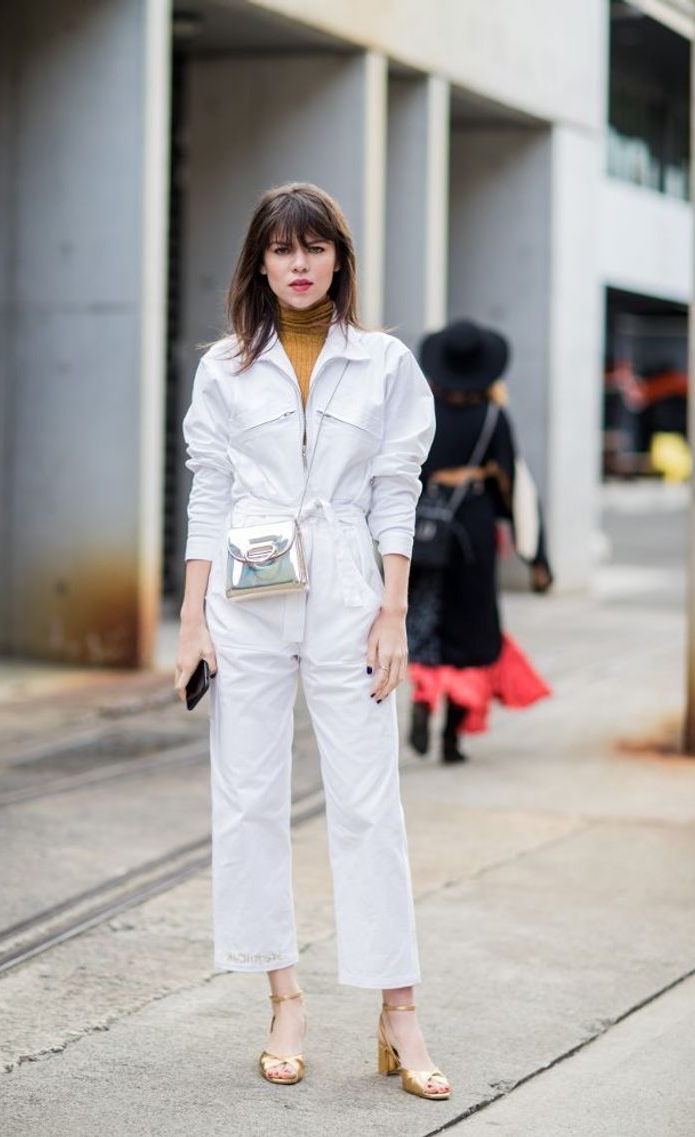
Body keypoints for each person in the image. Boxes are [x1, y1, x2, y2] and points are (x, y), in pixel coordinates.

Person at [175, 182, 451, 1100]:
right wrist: (189, 621)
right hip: (247, 599)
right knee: (249, 798)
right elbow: (209, 491)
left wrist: (391, 610)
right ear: (259, 261)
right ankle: (284, 996)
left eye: (315, 248)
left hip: (346, 591)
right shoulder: (223, 367)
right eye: (282, 250)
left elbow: (395, 487)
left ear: (339, 258)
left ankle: (398, 1009)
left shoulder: (382, 363)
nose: (299, 265)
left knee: (369, 802)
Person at [407, 319, 551, 762]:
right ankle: (451, 739)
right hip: (471, 532)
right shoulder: (493, 417)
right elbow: (513, 489)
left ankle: (422, 699)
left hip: (423, 533)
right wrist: (537, 556)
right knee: (469, 635)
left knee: (425, 625)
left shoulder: (419, 410)